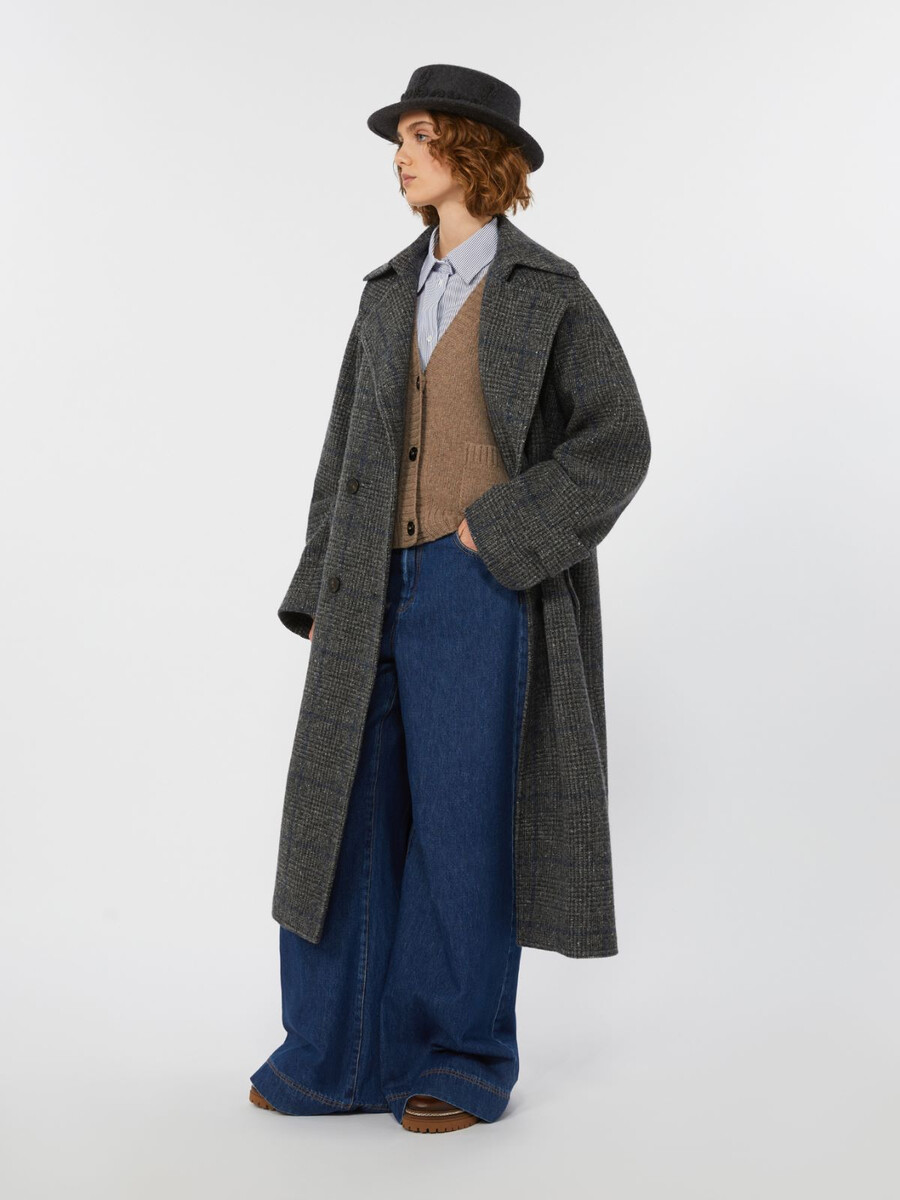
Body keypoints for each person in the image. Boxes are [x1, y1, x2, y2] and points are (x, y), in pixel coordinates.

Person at [249, 64, 651, 1134]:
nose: (401, 156)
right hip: (368, 584)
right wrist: (320, 585)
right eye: (401, 139)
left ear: (472, 151)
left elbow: (616, 442)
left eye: (419, 136)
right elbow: (345, 450)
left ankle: (459, 1059)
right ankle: (333, 1058)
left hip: (482, 588)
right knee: (342, 813)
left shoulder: (549, 292)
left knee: (464, 824)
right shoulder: (387, 291)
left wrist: (501, 528)